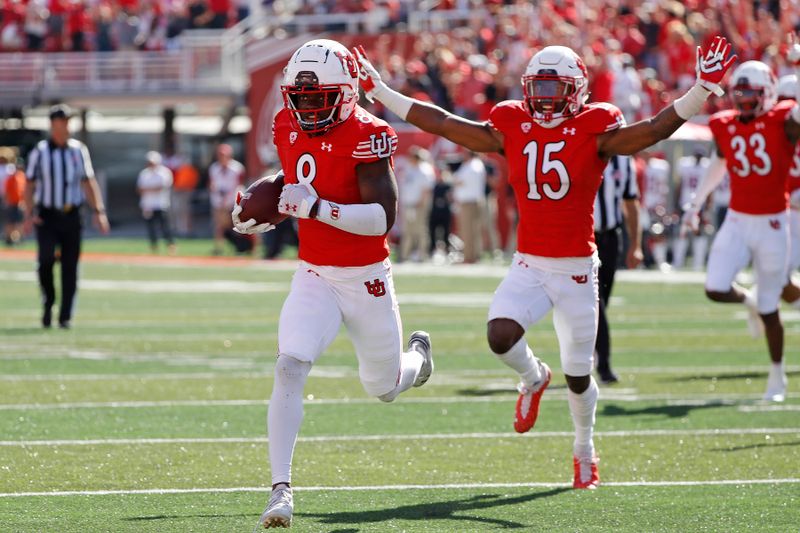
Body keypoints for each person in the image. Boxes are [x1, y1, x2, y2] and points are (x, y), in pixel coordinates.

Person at [356, 36, 736, 488]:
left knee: (579, 375)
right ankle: (534, 377)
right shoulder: (512, 122)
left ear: (576, 92)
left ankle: (583, 448)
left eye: (554, 90)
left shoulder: (597, 128)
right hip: (529, 265)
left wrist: (702, 89)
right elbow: (444, 123)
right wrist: (381, 92)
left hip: (576, 269)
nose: (543, 99)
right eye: (537, 88)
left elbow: (652, 130)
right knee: (499, 334)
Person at [231, 39, 434, 528]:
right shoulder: (286, 122)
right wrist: (269, 200)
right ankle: (280, 490)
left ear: (345, 95)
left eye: (318, 98)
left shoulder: (369, 131)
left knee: (382, 387)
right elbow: (303, 169)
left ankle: (419, 359)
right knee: (288, 367)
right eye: (299, 98)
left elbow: (382, 217)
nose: (306, 108)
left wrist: (317, 207)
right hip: (315, 273)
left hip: (365, 277)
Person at [681, 50, 800, 403]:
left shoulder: (784, 120)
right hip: (736, 218)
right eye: (741, 96)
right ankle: (746, 301)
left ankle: (777, 375)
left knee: (770, 304)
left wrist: (795, 66)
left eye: (753, 96)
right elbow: (719, 161)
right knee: (715, 287)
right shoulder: (724, 123)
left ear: (770, 93)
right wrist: (697, 202)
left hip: (774, 222)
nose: (746, 103)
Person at [23, 104, 110, 329]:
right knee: (45, 261)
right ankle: (49, 301)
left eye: (68, 121)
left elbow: (88, 181)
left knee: (70, 266)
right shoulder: (40, 151)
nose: (66, 126)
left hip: (72, 215)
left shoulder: (78, 150)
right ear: (53, 124)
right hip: (47, 215)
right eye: (62, 121)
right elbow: (29, 185)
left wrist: (99, 211)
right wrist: (29, 213)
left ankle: (66, 315)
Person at [593, 155, 643, 384]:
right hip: (584, 238)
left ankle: (589, 354)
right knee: (595, 301)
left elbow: (631, 202)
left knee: (602, 301)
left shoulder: (623, 161)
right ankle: (603, 365)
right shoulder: (580, 148)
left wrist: (636, 245)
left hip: (611, 237)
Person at [673, 147, 711, 270]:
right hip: (687, 203)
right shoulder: (687, 165)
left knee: (697, 233)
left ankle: (697, 263)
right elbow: (680, 185)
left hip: (698, 204)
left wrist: (707, 206)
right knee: (682, 233)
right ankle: (679, 262)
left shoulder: (705, 166)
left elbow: (709, 189)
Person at [398, 146, 434, 262]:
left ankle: (422, 255)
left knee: (420, 230)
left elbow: (426, 189)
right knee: (407, 230)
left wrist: (421, 202)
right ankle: (405, 255)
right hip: (409, 204)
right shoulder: (410, 168)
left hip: (419, 205)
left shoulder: (425, 169)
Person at [136, 151, 175, 254]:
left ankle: (170, 245)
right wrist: (150, 189)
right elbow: (139, 189)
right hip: (148, 204)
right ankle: (154, 247)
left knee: (164, 226)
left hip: (161, 204)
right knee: (150, 227)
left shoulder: (164, 172)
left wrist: (147, 189)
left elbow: (161, 187)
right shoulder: (144, 173)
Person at [208, 143, 244, 255]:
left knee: (239, 224)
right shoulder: (214, 168)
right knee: (219, 226)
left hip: (233, 200)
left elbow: (239, 185)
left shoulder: (237, 168)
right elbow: (212, 184)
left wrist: (231, 198)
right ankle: (219, 247)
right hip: (218, 201)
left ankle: (244, 246)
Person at [452, 151, 487, 263]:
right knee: (474, 230)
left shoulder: (472, 165)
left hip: (469, 202)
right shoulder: (476, 164)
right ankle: (475, 255)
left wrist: (453, 179)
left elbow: (460, 181)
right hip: (472, 201)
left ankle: (469, 257)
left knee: (468, 230)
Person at [4, 157, 26, 246]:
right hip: (12, 202)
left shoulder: (22, 176)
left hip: (20, 203)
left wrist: (24, 202)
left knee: (19, 222)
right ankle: (9, 238)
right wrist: (7, 201)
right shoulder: (10, 178)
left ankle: (18, 238)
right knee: (11, 221)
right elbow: (7, 191)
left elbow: (24, 191)